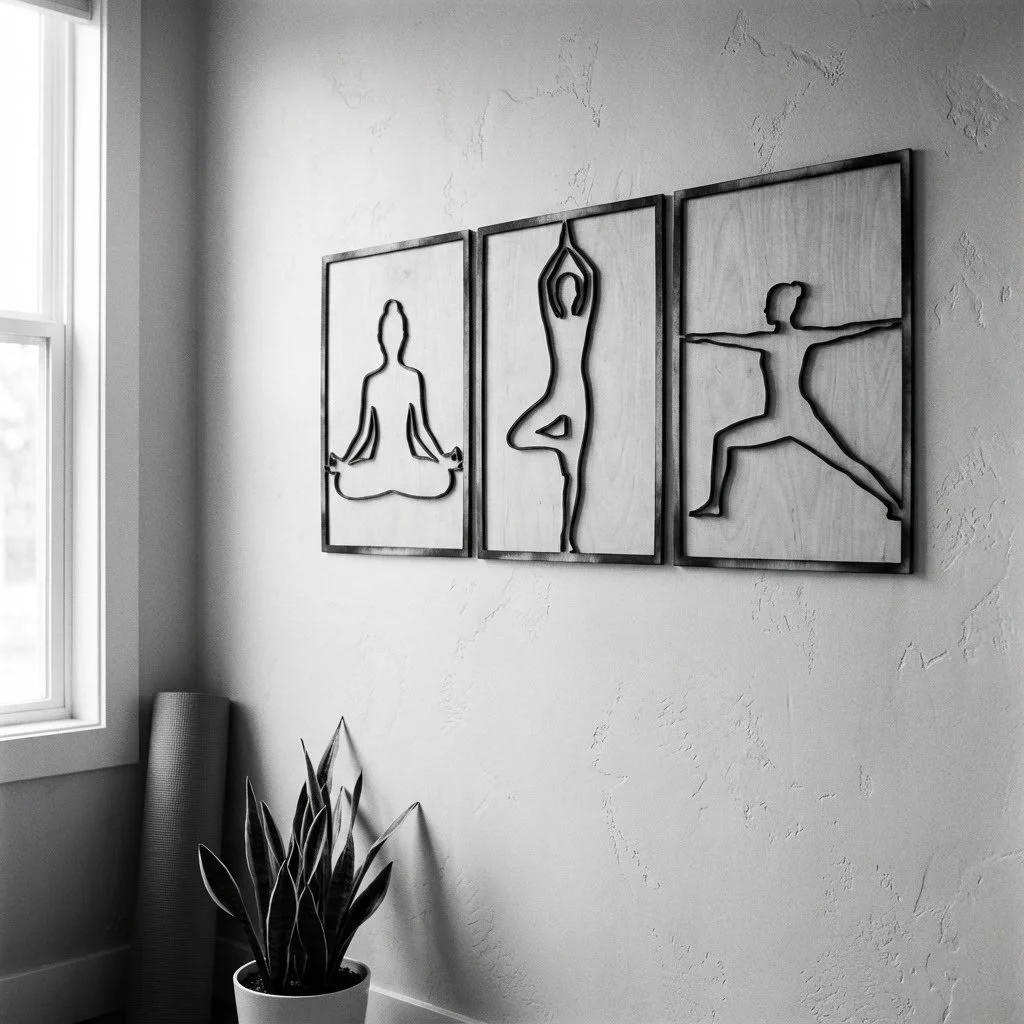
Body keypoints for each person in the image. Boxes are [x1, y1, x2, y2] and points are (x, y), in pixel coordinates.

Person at [686, 281, 902, 520]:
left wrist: (703, 338)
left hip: (799, 418)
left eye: (772, 306)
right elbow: (733, 339)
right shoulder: (785, 340)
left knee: (846, 461)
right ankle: (715, 505)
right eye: (769, 305)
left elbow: (846, 331)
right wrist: (703, 337)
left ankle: (892, 502)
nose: (767, 310)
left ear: (784, 309)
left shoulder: (784, 340)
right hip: (777, 419)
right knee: (726, 440)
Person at [507, 220, 598, 553]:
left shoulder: (583, 316)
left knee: (574, 474)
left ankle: (568, 537)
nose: (568, 290)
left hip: (578, 398)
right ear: (557, 294)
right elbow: (545, 280)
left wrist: (571, 249)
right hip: (556, 395)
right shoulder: (554, 317)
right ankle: (557, 443)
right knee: (519, 436)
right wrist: (561, 249)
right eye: (563, 287)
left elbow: (587, 276)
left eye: (572, 287)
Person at [326, 298, 462, 500]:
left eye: (397, 335)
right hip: (378, 465)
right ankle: (359, 474)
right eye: (388, 335)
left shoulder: (412, 378)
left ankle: (370, 476)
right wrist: (347, 461)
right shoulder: (373, 381)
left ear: (404, 338)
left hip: (408, 464)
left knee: (441, 476)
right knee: (347, 482)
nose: (392, 340)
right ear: (380, 338)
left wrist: (441, 459)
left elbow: (421, 432)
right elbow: (364, 434)